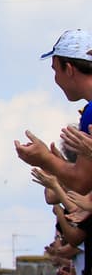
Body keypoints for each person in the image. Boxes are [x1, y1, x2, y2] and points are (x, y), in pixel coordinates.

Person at [17, 29, 92, 196]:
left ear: (70, 69)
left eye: (55, 70)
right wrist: (60, 163)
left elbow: (82, 183)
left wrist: (45, 159)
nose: (56, 78)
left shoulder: (90, 114)